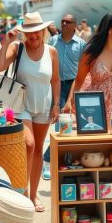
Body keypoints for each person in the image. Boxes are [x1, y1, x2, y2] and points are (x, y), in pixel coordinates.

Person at [0, 12, 60, 213]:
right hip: (20, 105)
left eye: (37, 31)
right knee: (28, 145)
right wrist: (6, 42)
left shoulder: (52, 52)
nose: (33, 35)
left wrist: (57, 104)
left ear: (43, 31)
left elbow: (55, 80)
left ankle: (32, 195)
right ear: (24, 33)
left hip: (44, 106)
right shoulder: (17, 48)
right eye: (29, 32)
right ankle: (22, 193)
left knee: (38, 148)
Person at [64, 13, 112, 134]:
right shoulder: (91, 53)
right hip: (96, 107)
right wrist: (69, 102)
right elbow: (79, 79)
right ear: (109, 29)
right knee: (97, 148)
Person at [42, 14, 86, 179]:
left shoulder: (81, 44)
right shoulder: (53, 41)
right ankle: (49, 160)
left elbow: (82, 70)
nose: (64, 24)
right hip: (55, 85)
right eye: (63, 21)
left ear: (75, 25)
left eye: (68, 22)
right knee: (59, 123)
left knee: (71, 124)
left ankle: (58, 158)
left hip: (74, 86)